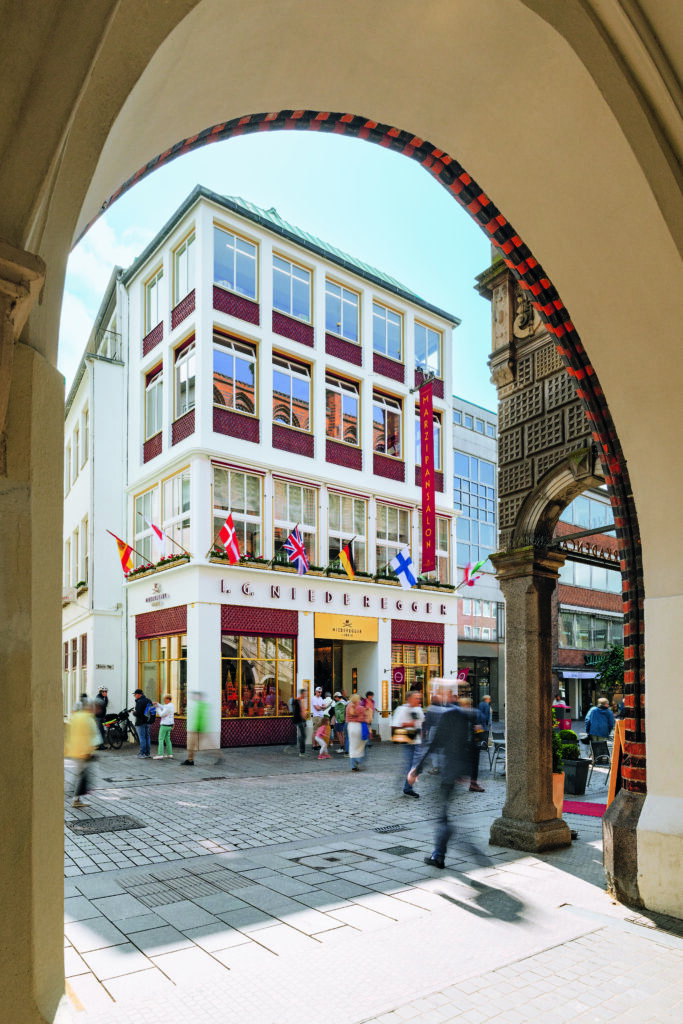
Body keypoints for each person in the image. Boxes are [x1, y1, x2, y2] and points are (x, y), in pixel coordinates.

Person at [407, 701, 472, 868]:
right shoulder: (464, 720)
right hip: (454, 773)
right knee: (443, 814)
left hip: (447, 773)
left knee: (442, 817)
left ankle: (439, 854)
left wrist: (417, 770)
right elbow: (468, 747)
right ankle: (439, 852)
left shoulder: (447, 717)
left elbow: (434, 745)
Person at [65, 699, 99, 808]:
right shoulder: (88, 718)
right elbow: (93, 736)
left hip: (75, 751)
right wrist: (91, 750)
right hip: (84, 752)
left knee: (80, 774)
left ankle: (76, 797)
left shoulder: (75, 718)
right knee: (81, 775)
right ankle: (75, 798)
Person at [392, 690, 425, 797]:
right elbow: (395, 725)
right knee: (410, 765)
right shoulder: (401, 709)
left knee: (415, 765)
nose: (418, 700)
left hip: (417, 740)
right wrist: (410, 724)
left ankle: (407, 786)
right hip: (408, 739)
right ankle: (407, 787)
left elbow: (421, 723)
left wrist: (422, 735)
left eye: (419, 698)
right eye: (416, 698)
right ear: (409, 698)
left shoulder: (418, 709)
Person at [183, 690, 210, 765]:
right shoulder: (197, 705)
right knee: (191, 745)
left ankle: (190, 760)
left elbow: (200, 718)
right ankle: (190, 759)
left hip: (197, 729)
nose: (192, 697)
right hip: (196, 728)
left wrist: (196, 728)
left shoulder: (200, 705)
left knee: (191, 745)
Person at [345, 693, 370, 771]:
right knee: (362, 744)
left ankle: (353, 765)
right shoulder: (360, 708)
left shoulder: (348, 707)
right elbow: (363, 719)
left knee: (352, 745)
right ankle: (358, 761)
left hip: (350, 726)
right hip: (358, 726)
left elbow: (347, 718)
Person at [152, 694, 174, 759]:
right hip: (170, 725)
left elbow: (161, 714)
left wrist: (157, 708)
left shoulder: (168, 706)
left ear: (168, 699)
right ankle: (170, 754)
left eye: (164, 699)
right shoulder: (171, 705)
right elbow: (163, 706)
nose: (164, 701)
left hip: (164, 725)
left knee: (161, 739)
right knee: (167, 739)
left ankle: (160, 754)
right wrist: (158, 704)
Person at [132, 687, 152, 758]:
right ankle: (147, 753)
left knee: (142, 737)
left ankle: (142, 753)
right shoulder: (149, 701)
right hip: (148, 721)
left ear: (138, 694)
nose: (134, 696)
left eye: (135, 694)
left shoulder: (139, 702)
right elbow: (151, 711)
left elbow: (139, 713)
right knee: (147, 737)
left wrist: (133, 713)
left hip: (141, 722)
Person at [291, 688, 307, 757]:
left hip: (301, 720)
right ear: (302, 694)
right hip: (299, 720)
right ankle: (301, 751)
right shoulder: (298, 701)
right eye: (305, 694)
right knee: (303, 735)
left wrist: (305, 720)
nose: (305, 695)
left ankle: (301, 748)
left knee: (303, 735)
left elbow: (302, 711)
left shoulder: (301, 701)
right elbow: (298, 711)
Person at [311, 686, 325, 752]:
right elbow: (317, 708)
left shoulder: (321, 698)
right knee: (315, 731)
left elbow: (324, 705)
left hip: (321, 716)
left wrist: (321, 707)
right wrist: (322, 707)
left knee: (319, 731)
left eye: (321, 692)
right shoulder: (314, 698)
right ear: (315, 692)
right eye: (319, 692)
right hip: (316, 716)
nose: (320, 693)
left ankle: (318, 744)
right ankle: (314, 746)